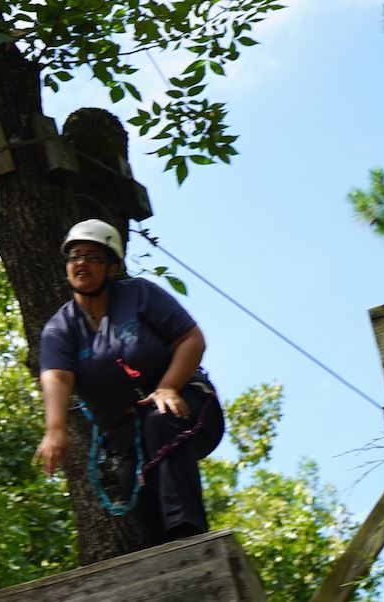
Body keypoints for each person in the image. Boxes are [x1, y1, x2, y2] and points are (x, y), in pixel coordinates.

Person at [33, 219, 226, 547]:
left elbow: (191, 339)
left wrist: (167, 386)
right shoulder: (60, 328)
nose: (81, 263)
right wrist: (55, 429)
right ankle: (160, 558)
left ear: (112, 267)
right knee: (131, 479)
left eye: (93, 256)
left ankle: (189, 536)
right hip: (127, 434)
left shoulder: (139, 295)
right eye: (75, 256)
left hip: (186, 405)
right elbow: (57, 376)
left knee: (160, 421)